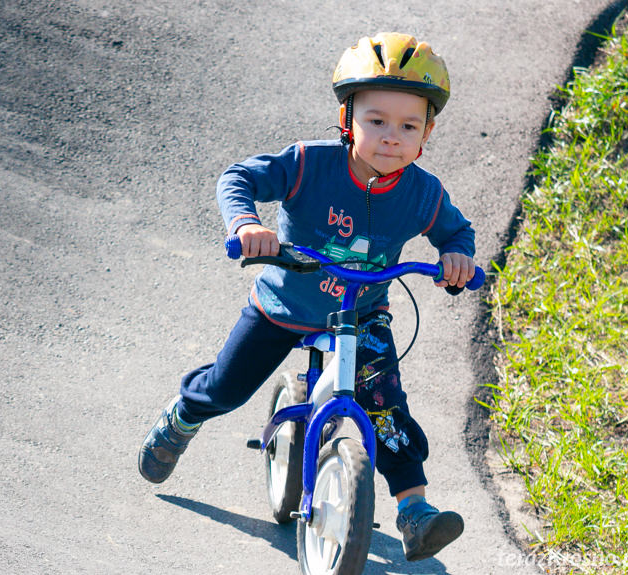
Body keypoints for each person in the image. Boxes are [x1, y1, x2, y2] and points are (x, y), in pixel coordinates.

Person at [138, 32, 476, 562]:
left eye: (409, 126)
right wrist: (248, 223)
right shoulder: (308, 164)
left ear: (427, 133)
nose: (392, 137)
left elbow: (456, 234)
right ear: (348, 119)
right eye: (377, 121)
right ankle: (184, 414)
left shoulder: (422, 193)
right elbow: (239, 178)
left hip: (362, 315)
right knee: (226, 389)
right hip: (283, 308)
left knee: (386, 410)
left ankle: (414, 511)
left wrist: (458, 260)